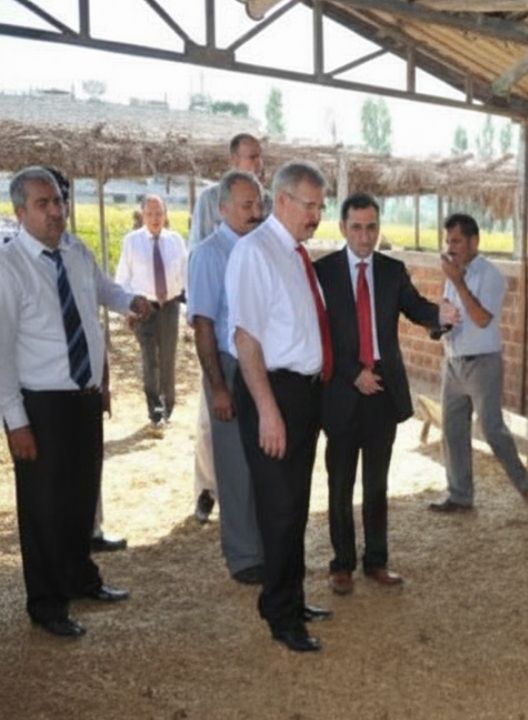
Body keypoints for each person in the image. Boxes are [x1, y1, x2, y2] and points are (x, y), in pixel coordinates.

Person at [0, 166, 152, 638]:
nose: (55, 212)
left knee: (81, 496)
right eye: (43, 204)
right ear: (20, 212)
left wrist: (131, 300)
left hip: (83, 397)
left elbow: (102, 289)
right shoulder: (8, 268)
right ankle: (46, 603)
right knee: (44, 506)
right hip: (39, 405)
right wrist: (16, 420)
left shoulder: (75, 250)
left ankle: (81, 578)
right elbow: (1, 351)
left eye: (58, 202)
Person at [315, 193, 454, 594]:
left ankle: (376, 560)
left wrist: (440, 318)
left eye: (371, 226)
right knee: (340, 483)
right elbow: (319, 336)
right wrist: (351, 372)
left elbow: (416, 307)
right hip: (342, 391)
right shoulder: (323, 273)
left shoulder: (392, 271)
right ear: (343, 228)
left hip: (382, 391)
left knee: (376, 483)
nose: (364, 235)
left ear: (378, 227)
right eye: (356, 227)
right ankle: (341, 564)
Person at [226, 160, 332, 652]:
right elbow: (246, 339)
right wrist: (268, 410)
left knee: (294, 505)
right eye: (310, 205)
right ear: (284, 201)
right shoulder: (255, 253)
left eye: (319, 205)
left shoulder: (293, 252)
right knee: (280, 509)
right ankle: (281, 614)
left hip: (303, 393)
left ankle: (290, 596)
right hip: (274, 392)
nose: (317, 214)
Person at [186, 170, 266, 585]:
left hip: (266, 368)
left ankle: (266, 545)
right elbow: (202, 324)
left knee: (264, 461)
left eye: (258, 204)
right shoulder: (209, 254)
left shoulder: (264, 248)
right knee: (234, 466)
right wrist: (217, 386)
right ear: (222, 210)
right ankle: (243, 556)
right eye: (245, 206)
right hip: (230, 367)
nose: (255, 213)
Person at [429, 213, 528, 513]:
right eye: (448, 240)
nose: (450, 247)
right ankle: (460, 496)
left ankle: (523, 480)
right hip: (453, 361)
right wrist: (440, 322)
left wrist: (458, 282)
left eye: (457, 241)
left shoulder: (489, 275)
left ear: (474, 241)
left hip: (483, 364)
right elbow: (453, 311)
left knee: (491, 429)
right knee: (452, 431)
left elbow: (481, 318)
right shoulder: (453, 274)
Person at [115, 194, 187, 437]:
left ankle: (168, 406)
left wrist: (190, 307)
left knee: (167, 357)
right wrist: (127, 309)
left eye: (159, 213)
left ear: (165, 215)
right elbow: (122, 278)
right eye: (150, 214)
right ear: (142, 215)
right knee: (150, 359)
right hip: (144, 308)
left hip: (170, 306)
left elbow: (186, 275)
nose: (155, 218)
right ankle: (154, 409)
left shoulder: (176, 240)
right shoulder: (132, 242)